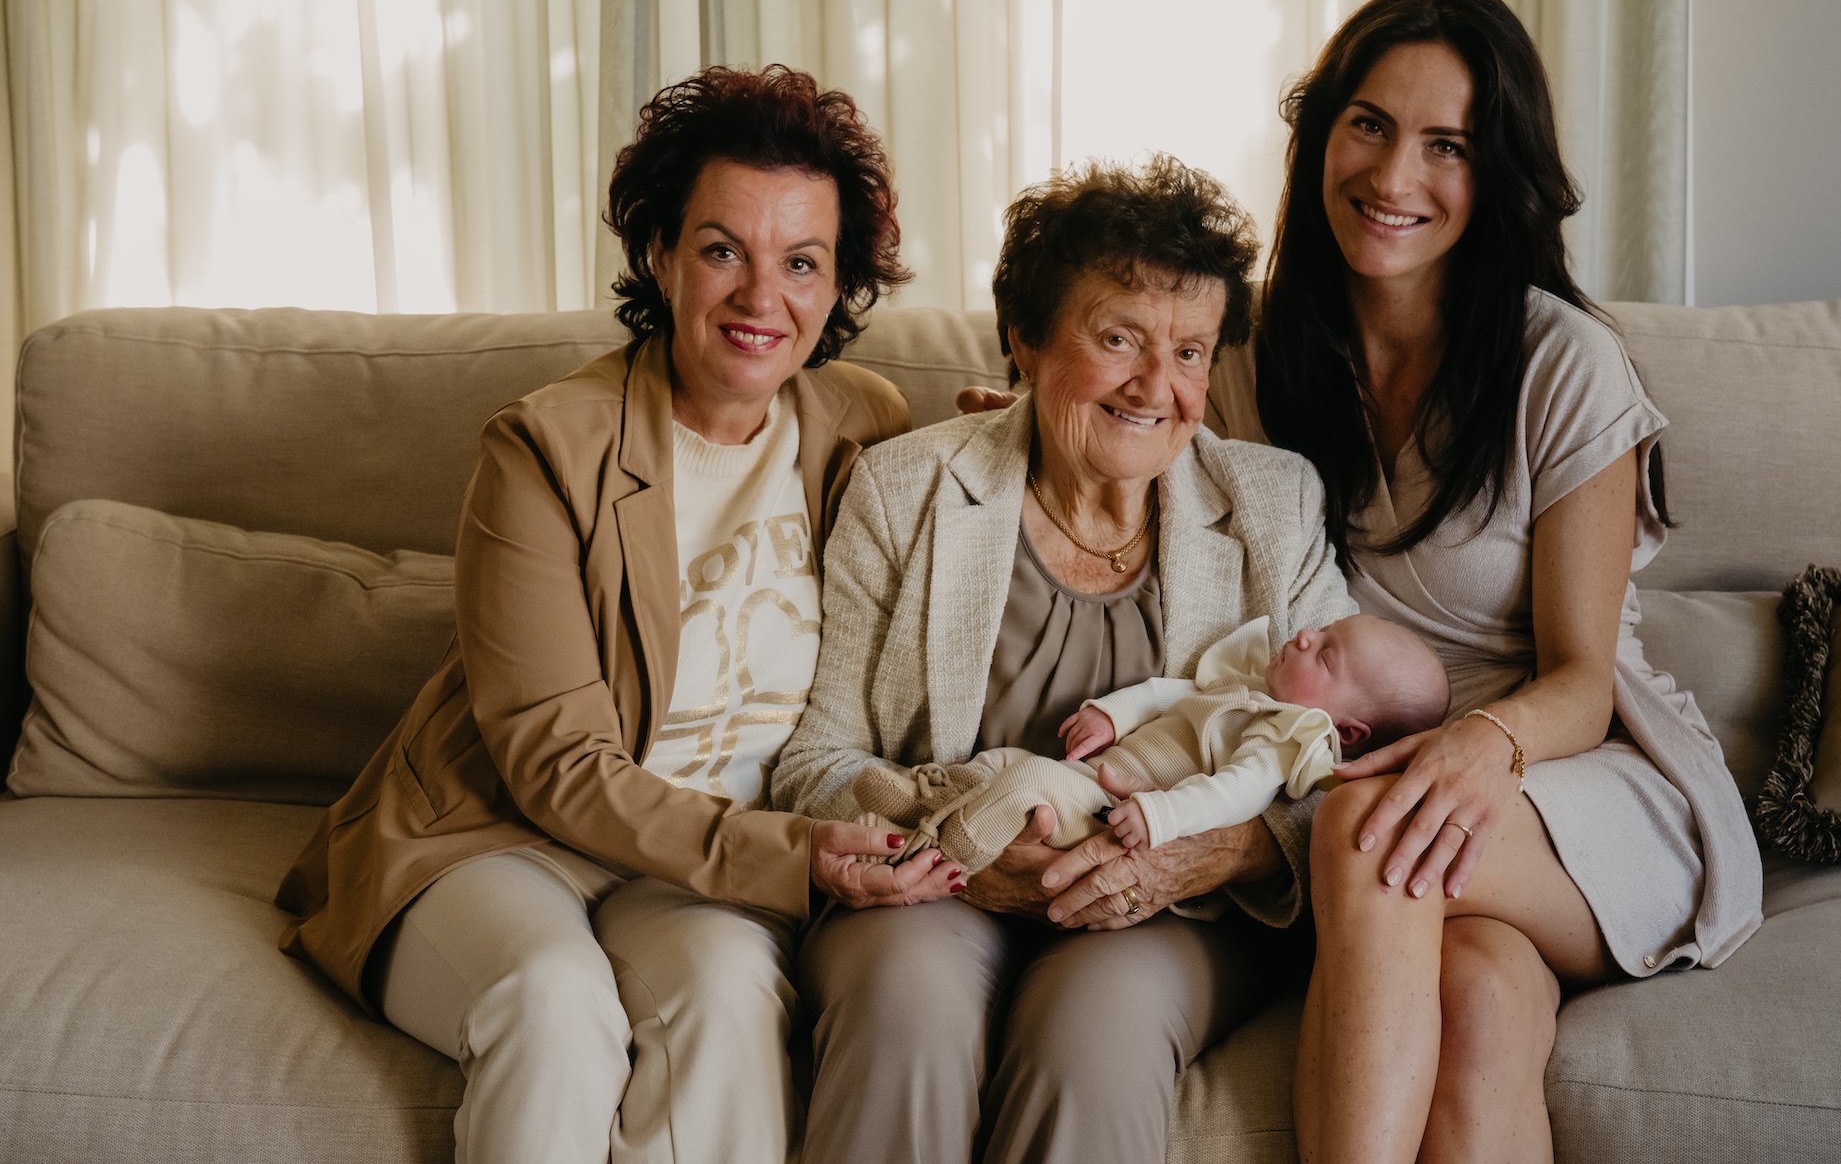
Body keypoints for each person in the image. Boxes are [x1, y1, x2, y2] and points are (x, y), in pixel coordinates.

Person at [275, 64, 956, 1164]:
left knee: (734, 999)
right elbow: (550, 756)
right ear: (661, 254)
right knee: (553, 1003)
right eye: (722, 248)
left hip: (697, 869)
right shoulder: (546, 445)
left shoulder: (862, 421)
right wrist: (792, 855)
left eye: (802, 262)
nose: (760, 296)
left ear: (839, 289)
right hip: (501, 836)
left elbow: (969, 525)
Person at [1201, 0, 1765, 1161]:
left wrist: (1481, 743)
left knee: (1370, 827)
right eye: (1369, 123)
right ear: (1320, 135)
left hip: (1573, 773)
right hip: (1388, 781)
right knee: (1484, 1002)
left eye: (1445, 145)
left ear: (1492, 172)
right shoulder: (1254, 356)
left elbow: (1580, 676)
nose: (1393, 177)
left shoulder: (1563, 364)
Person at [770, 154, 1357, 1164]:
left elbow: (1342, 760)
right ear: (1027, 340)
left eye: (1188, 351)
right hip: (940, 883)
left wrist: (1198, 852)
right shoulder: (903, 490)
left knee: (1098, 1030)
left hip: (1174, 904)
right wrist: (958, 848)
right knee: (902, 999)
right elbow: (811, 765)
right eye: (1119, 336)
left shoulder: (1273, 503)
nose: (1155, 386)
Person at [845, 612, 1449, 869]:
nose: (1305, 634)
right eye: (1322, 630)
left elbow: (1233, 796)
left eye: (1326, 653)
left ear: (1345, 731)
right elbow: (1164, 692)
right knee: (1005, 763)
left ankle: (935, 856)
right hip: (1094, 773)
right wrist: (1110, 716)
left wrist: (1158, 814)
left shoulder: (1282, 740)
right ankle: (925, 799)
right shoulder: (1246, 685)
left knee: (1028, 784)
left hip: (1111, 812)